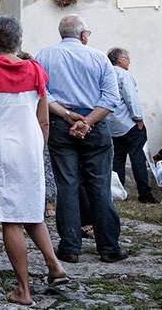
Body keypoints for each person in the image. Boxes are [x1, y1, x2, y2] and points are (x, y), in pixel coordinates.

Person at [0, 15, 69, 306]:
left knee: (10, 217)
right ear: (20, 42)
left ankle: (23, 290)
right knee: (32, 208)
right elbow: (44, 119)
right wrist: (39, 149)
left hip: (1, 146)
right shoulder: (36, 70)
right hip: (31, 144)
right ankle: (54, 265)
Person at [36, 14, 127, 263]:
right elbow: (111, 98)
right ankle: (108, 247)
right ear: (83, 35)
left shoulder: (44, 55)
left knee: (67, 187)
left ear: (61, 34)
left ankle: (69, 247)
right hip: (95, 126)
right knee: (99, 187)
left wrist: (67, 116)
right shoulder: (98, 57)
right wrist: (88, 121)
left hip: (61, 124)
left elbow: (42, 92)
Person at [107, 48, 159, 203]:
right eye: (127, 58)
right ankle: (145, 194)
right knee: (138, 159)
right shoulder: (124, 75)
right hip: (129, 124)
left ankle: (119, 193)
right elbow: (131, 98)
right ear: (120, 59)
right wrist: (139, 119)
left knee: (118, 159)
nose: (129, 61)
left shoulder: (106, 74)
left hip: (113, 126)